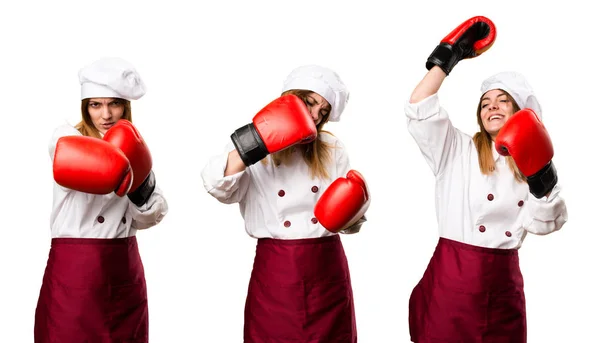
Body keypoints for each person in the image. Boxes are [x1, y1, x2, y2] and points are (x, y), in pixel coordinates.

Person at [404, 16, 568, 342]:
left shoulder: (533, 160)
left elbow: (545, 223)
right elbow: (419, 107)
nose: (491, 107)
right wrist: (449, 56)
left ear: (520, 110)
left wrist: (541, 177)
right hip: (450, 283)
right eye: (485, 103)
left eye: (501, 101)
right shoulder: (456, 148)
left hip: (503, 287)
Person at [201, 64, 370, 342]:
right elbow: (218, 187)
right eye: (310, 102)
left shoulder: (332, 148)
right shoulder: (259, 147)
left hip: (326, 267)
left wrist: (356, 210)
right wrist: (256, 140)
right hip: (276, 271)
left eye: (323, 111)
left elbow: (348, 219)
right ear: (289, 99)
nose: (315, 116)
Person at [34, 57, 168, 343]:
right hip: (75, 268)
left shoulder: (135, 148)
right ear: (85, 107)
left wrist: (138, 184)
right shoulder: (66, 137)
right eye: (96, 105)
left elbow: (151, 215)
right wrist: (121, 166)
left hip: (122, 265)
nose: (105, 114)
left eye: (114, 104)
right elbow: (68, 160)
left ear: (125, 107)